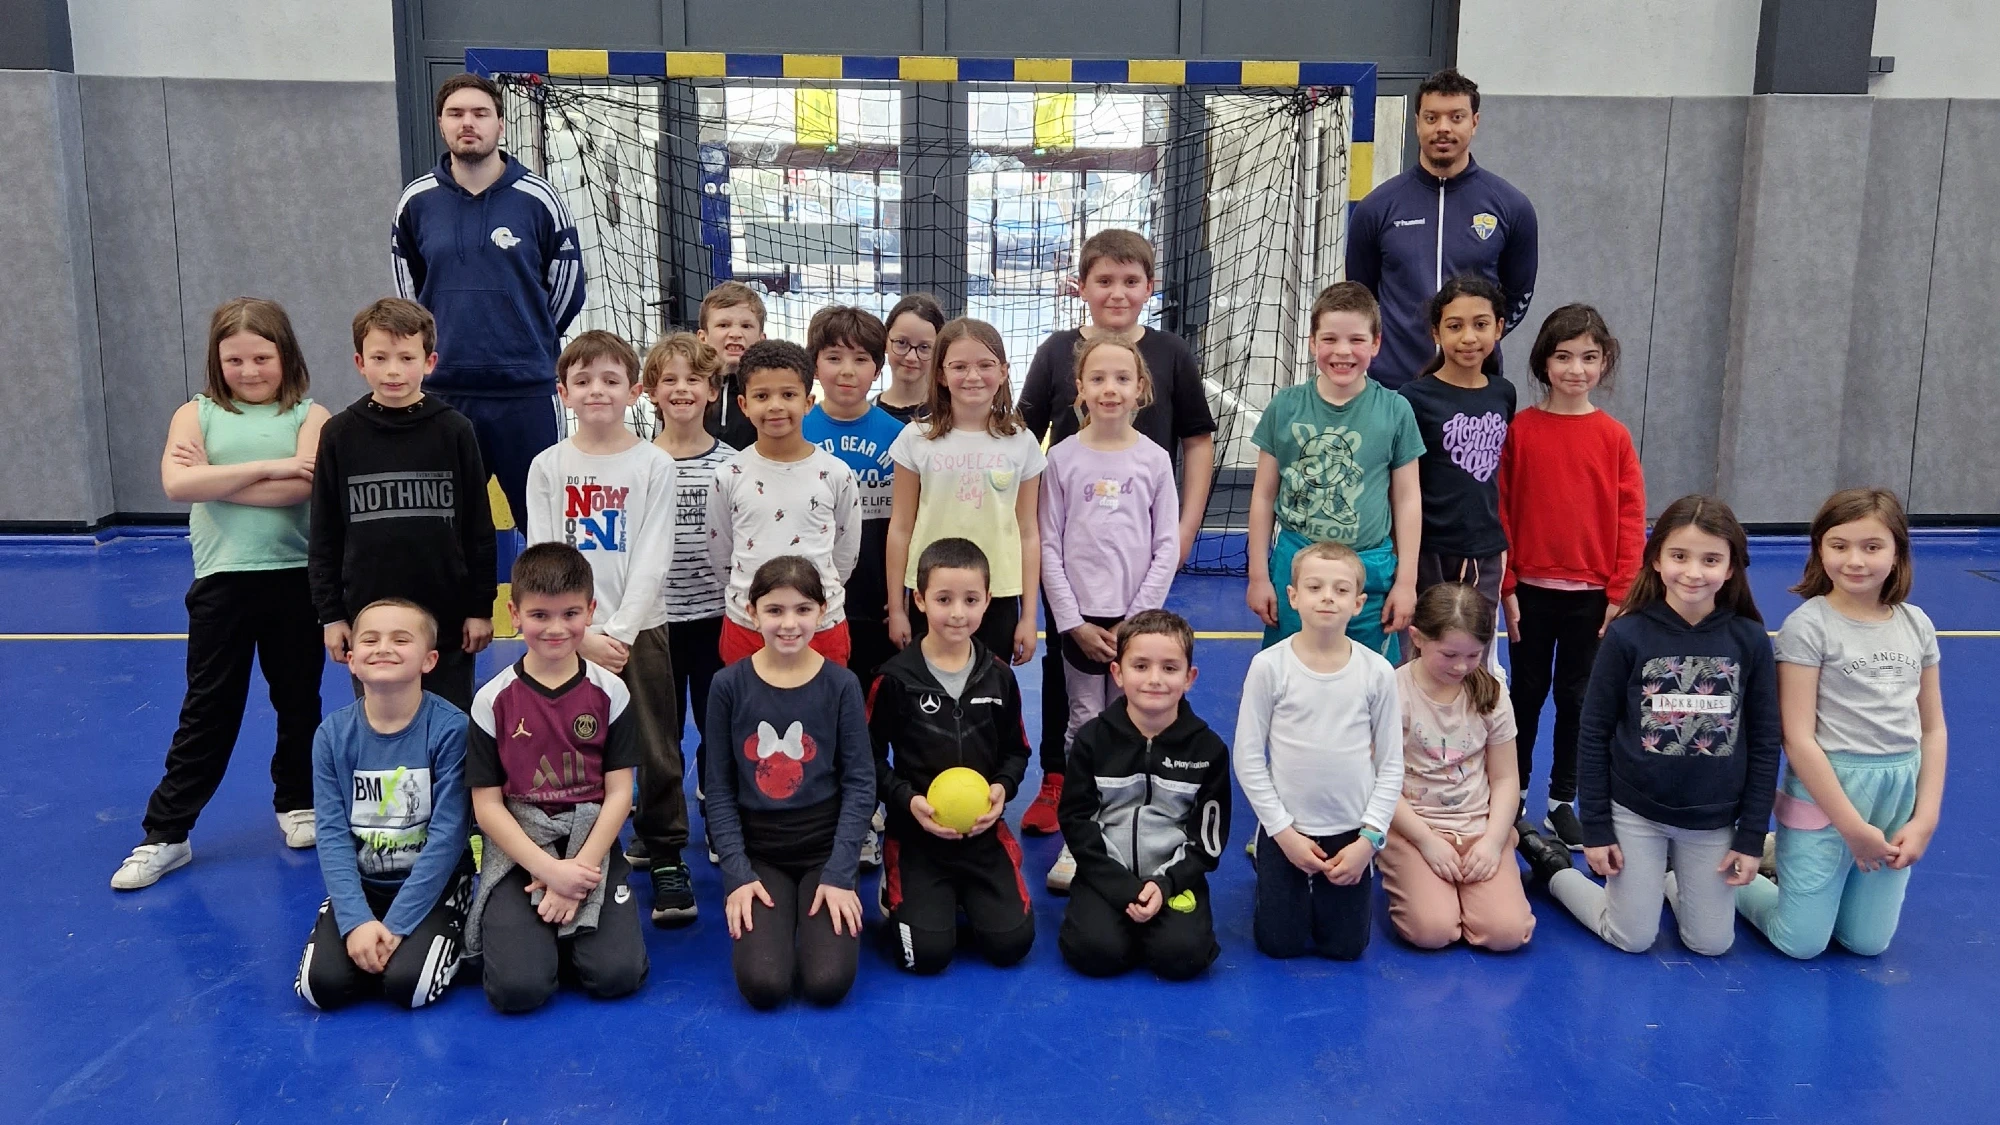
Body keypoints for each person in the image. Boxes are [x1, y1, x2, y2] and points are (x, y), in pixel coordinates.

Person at [113, 298, 331, 890]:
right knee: (208, 709)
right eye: (235, 360)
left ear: (286, 356)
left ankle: (298, 801)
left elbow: (303, 487)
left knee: (299, 701)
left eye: (262, 357)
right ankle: (167, 834)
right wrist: (274, 467)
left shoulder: (311, 416)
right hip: (222, 582)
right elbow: (177, 484)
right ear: (216, 360)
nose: (249, 370)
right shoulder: (196, 414)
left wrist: (216, 479)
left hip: (294, 579)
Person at [1017, 228, 1218, 847]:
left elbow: (1197, 441)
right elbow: (1020, 438)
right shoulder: (1056, 353)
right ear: (1081, 286)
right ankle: (1061, 779)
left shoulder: (1170, 353)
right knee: (1069, 679)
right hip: (1074, 562)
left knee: (1136, 680)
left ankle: (1136, 794)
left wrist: (1184, 531)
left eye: (1131, 281)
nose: (1117, 292)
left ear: (1149, 287)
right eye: (1103, 280)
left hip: (1138, 561)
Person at [1545, 495, 1780, 956]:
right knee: (1631, 937)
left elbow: (1766, 741)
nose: (1693, 572)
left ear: (1731, 567)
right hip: (1636, 813)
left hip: (1711, 820)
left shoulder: (1749, 640)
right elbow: (1593, 733)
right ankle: (1554, 872)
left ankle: (1671, 882)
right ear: (1656, 560)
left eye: (1710, 559)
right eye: (1679, 556)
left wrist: (1752, 834)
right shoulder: (1627, 634)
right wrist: (1597, 827)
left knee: (1711, 943)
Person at [523, 330, 692, 927]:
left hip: (638, 631)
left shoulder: (653, 464)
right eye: (584, 380)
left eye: (611, 380)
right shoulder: (548, 465)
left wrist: (617, 632)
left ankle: (665, 851)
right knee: (571, 746)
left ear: (635, 391)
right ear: (563, 392)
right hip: (566, 635)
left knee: (655, 744)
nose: (597, 390)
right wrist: (578, 633)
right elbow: (543, 553)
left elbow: (653, 554)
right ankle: (581, 849)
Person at [1736, 488, 1947, 958]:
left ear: (1897, 553)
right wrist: (1851, 826)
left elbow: (1933, 728)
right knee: (1801, 942)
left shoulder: (1917, 624)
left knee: (1865, 942)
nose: (1855, 560)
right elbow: (1797, 738)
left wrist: (1925, 818)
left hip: (1897, 791)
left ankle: (1780, 852)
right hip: (1829, 789)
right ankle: (1711, 881)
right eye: (1839, 545)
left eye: (1872, 547)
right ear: (1820, 550)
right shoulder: (1808, 627)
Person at [391, 72, 584, 525]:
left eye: (480, 113)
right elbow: (408, 303)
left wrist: (526, 335)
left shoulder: (539, 198)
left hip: (527, 395)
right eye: (456, 113)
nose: (468, 123)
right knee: (442, 532)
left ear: (500, 123)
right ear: (441, 124)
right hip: (445, 394)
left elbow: (567, 287)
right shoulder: (416, 201)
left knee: (546, 528)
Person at [463, 544, 649, 1013]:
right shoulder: (492, 699)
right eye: (539, 615)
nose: (555, 628)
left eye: (570, 613)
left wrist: (577, 875)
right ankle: (541, 941)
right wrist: (550, 873)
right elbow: (487, 806)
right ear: (514, 614)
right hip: (521, 844)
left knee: (616, 976)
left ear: (591, 610)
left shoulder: (611, 691)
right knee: (518, 991)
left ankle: (567, 937)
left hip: (589, 843)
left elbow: (619, 794)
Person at [1034, 335, 1181, 892]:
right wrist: (1071, 621)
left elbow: (1166, 546)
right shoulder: (1061, 458)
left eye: (1122, 378)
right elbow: (1049, 545)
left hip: (1133, 623)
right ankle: (1080, 837)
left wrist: (1137, 621)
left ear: (1141, 388)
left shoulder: (1154, 460)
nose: (1110, 389)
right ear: (1080, 389)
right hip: (1080, 622)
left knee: (1134, 723)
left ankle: (1127, 832)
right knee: (1083, 726)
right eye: (1097, 378)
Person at [1498, 305, 1645, 851]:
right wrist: (1507, 585)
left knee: (1578, 699)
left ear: (1604, 364)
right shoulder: (1521, 431)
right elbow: (1501, 509)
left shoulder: (1614, 437)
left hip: (1592, 597)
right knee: (1526, 695)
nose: (1575, 369)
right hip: (1531, 593)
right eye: (1563, 357)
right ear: (1545, 362)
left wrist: (1621, 590)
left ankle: (1563, 801)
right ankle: (1512, 797)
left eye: (1588, 357)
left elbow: (1631, 517)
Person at [704, 556, 875, 1008]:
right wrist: (738, 875)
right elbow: (718, 791)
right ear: (751, 612)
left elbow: (861, 784)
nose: (788, 623)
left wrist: (840, 872)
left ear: (822, 611)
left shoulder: (841, 685)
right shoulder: (727, 686)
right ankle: (780, 914)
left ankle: (813, 905)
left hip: (824, 851)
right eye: (775, 610)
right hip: (760, 855)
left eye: (802, 609)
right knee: (764, 985)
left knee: (827, 983)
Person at [309, 298, 494, 713]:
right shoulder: (339, 435)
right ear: (360, 362)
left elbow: (479, 530)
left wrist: (480, 608)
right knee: (382, 723)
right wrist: (332, 615)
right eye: (380, 358)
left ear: (430, 362)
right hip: (370, 621)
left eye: (406, 358)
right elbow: (324, 532)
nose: (393, 370)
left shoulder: (455, 430)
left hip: (446, 620)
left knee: (451, 727)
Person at [294, 599, 473, 1010]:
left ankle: (456, 911)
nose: (384, 648)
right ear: (352, 660)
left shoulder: (451, 730)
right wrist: (356, 920)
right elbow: (333, 834)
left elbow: (448, 836)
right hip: (366, 886)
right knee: (319, 988)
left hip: (432, 886)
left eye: (400, 639)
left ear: (429, 660)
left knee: (410, 986)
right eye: (370, 640)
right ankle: (341, 911)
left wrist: (397, 926)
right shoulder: (332, 735)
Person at [868, 538, 1036, 975]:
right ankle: (904, 884)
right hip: (917, 836)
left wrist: (1002, 789)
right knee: (924, 957)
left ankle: (967, 893)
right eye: (944, 599)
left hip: (982, 834)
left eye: (970, 600)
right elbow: (868, 760)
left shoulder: (998, 676)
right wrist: (907, 801)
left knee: (1011, 945)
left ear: (988, 601)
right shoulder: (895, 679)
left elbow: (1017, 751)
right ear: (920, 600)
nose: (958, 613)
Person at [1234, 542, 1403, 960]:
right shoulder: (1269, 667)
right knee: (1280, 944)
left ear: (1358, 603)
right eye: (1314, 587)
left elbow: (1391, 765)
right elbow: (1248, 759)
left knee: (1345, 948)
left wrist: (1369, 841)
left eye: (1341, 590)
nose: (1328, 597)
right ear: (1293, 597)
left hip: (1351, 833)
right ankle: (1270, 868)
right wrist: (1282, 833)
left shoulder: (1378, 672)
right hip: (1287, 830)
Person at [1246, 282, 1423, 661]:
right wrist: (1258, 575)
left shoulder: (1395, 411)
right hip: (1296, 565)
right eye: (1329, 339)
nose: (1343, 351)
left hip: (1368, 571)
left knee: (1368, 678)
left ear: (1376, 344)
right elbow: (1263, 495)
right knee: (1290, 673)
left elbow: (1408, 499)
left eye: (1356, 339)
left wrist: (1406, 582)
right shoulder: (1285, 406)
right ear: (1312, 343)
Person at [1056, 610, 1229, 980]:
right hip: (1106, 874)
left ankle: (1157, 927)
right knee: (1095, 953)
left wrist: (1165, 885)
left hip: (1173, 879)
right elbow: (1076, 823)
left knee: (1183, 957)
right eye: (1140, 666)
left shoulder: (1208, 750)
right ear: (1117, 673)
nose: (1154, 679)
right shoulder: (1091, 741)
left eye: (1169, 668)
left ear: (1189, 678)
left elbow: (1207, 842)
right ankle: (1115, 923)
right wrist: (1122, 888)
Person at [1345, 68, 1537, 390]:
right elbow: (1362, 296)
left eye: (1456, 117)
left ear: (1475, 122)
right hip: (1394, 387)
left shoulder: (1512, 206)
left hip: (1475, 387)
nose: (1443, 128)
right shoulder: (1376, 208)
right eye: (1431, 118)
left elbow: (1518, 294)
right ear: (1417, 123)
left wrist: (1473, 345)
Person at [1383, 584, 1537, 951]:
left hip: (1477, 828)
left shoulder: (1491, 694)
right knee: (1431, 930)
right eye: (1449, 654)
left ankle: (1490, 876)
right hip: (1414, 829)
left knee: (1506, 932)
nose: (1460, 666)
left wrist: (1493, 842)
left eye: (1473, 655)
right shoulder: (1393, 692)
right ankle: (1414, 876)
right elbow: (1379, 783)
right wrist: (1426, 841)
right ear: (1417, 638)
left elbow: (1505, 778)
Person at [884, 318, 1045, 666]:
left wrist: (1029, 615)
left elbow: (1028, 531)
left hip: (997, 592)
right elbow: (901, 527)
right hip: (932, 592)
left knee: (989, 688)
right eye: (959, 367)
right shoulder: (916, 438)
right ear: (941, 375)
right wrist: (897, 607)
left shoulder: (1021, 442)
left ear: (1003, 372)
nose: (973, 376)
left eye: (985, 365)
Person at [705, 339, 862, 665]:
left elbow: (845, 553)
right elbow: (722, 552)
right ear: (744, 404)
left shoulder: (836, 474)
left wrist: (807, 605)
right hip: (747, 625)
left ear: (808, 402)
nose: (775, 406)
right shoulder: (728, 475)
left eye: (788, 395)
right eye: (762, 396)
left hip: (821, 627)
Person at [640, 332, 734, 865]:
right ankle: (658, 823)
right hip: (654, 621)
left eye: (694, 379)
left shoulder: (732, 464)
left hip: (716, 617)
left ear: (712, 391)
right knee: (659, 732)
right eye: (669, 379)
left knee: (718, 725)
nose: (682, 389)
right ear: (652, 391)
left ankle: (721, 820)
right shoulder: (637, 463)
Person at [801, 306, 905, 693]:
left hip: (878, 601)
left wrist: (900, 597)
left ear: (877, 369)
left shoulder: (900, 436)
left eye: (861, 359)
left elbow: (907, 524)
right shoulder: (797, 431)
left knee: (876, 706)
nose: (847, 371)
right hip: (812, 600)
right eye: (834, 357)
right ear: (814, 365)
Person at [1399, 276, 1515, 613]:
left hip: (1485, 547)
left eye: (1480, 324)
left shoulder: (1503, 393)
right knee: (1429, 638)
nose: (1468, 337)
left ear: (1498, 328)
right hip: (1430, 549)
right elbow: (1402, 483)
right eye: (1454, 326)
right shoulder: (1413, 398)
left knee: (1474, 639)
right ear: (1436, 333)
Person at [698, 281, 769, 451]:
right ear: (702, 338)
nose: (736, 334)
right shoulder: (690, 388)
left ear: (761, 339)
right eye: (723, 325)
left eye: (746, 326)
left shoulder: (770, 390)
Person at [876, 293, 945, 424]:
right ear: (885, 341)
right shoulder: (862, 415)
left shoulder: (950, 419)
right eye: (902, 343)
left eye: (924, 347)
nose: (911, 357)